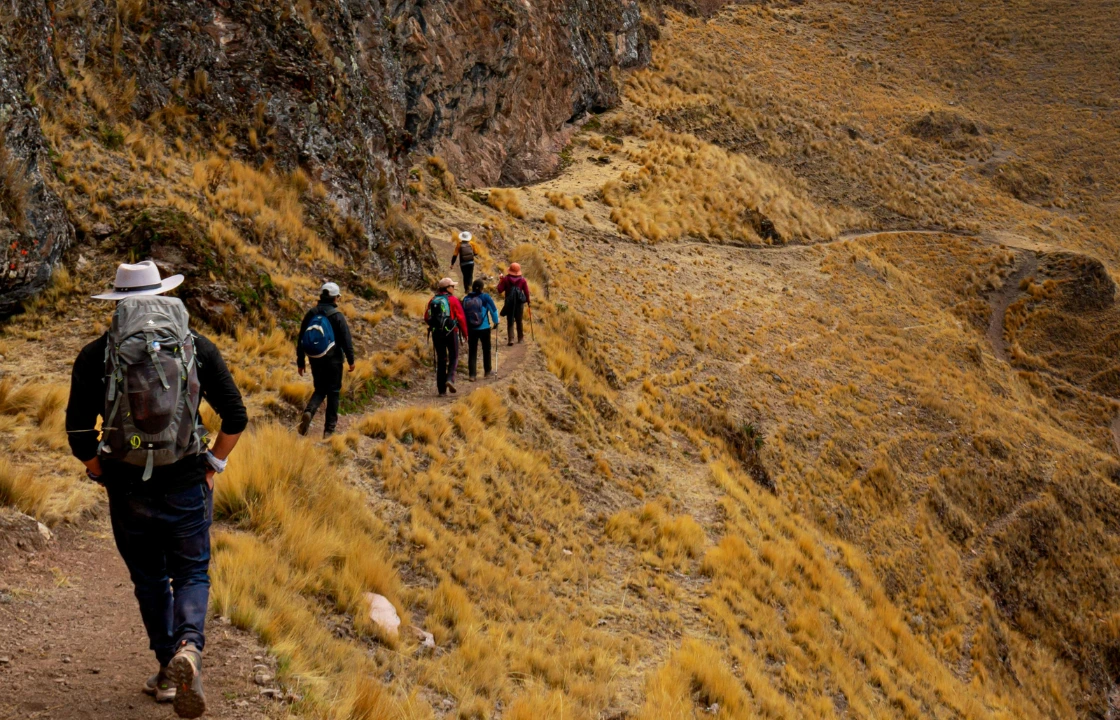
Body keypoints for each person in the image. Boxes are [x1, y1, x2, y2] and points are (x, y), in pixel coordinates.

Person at [65, 261, 247, 719]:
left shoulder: (96, 354)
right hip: (187, 478)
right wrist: (213, 464)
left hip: (126, 485)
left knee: (148, 578)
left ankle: (168, 668)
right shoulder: (196, 347)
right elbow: (236, 416)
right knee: (190, 572)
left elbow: (78, 432)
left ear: (118, 302)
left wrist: (99, 472)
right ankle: (189, 648)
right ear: (164, 295)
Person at [297, 282, 355, 439]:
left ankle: (309, 411)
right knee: (334, 392)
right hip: (334, 361)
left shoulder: (311, 313)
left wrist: (300, 362)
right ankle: (329, 431)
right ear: (335, 298)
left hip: (315, 359)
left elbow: (301, 338)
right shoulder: (337, 316)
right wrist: (351, 360)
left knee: (320, 389)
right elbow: (346, 340)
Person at [425, 277, 468, 396]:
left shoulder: (432, 300)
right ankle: (450, 379)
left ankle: (441, 390)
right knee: (454, 356)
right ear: (447, 288)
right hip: (451, 332)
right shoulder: (453, 300)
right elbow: (461, 318)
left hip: (436, 333)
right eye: (452, 286)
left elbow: (426, 317)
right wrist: (465, 333)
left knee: (441, 359)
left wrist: (436, 326)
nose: (453, 288)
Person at [462, 279, 500, 381]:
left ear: (473, 288)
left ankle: (472, 375)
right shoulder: (485, 297)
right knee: (486, 349)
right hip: (484, 328)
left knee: (472, 351)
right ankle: (487, 372)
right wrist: (496, 322)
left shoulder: (466, 299)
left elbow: (463, 315)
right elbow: (493, 310)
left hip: (471, 329)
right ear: (482, 288)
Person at [496, 262, 531, 346]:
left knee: (510, 320)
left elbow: (499, 290)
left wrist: (501, 281)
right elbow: (526, 292)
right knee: (519, 320)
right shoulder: (522, 280)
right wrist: (528, 301)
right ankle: (520, 338)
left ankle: (511, 339)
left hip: (509, 303)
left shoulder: (506, 279)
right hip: (519, 303)